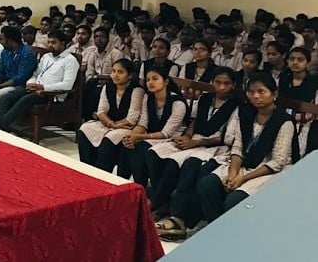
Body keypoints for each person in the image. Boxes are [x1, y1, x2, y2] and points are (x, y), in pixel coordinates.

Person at [150, 68, 241, 235]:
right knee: (170, 161)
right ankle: (160, 204)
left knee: (191, 166)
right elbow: (194, 121)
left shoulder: (236, 106)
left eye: (226, 83)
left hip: (215, 146)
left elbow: (226, 137)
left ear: (233, 85)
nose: (221, 87)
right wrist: (188, 136)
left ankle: (179, 217)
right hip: (196, 140)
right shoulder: (205, 98)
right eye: (218, 82)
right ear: (212, 82)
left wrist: (196, 142)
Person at [196, 74, 294, 223]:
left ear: (274, 94)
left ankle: (233, 234)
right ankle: (216, 228)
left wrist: (243, 178)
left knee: (234, 201)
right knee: (206, 185)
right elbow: (238, 146)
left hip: (266, 170)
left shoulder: (284, 122)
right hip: (243, 164)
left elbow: (278, 161)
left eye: (261, 92)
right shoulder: (247, 114)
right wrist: (233, 173)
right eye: (251, 92)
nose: (255, 96)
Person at [0, 30, 79, 131]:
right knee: (8, 96)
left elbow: (67, 85)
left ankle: (0, 127)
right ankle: (1, 125)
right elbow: (35, 74)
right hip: (35, 88)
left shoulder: (70, 60)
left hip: (50, 95)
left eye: (54, 42)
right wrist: (31, 83)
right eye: (49, 42)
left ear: (63, 43)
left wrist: (43, 87)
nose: (50, 45)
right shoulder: (47, 56)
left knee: (25, 100)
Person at [119, 67, 187, 185]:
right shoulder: (148, 97)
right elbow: (143, 123)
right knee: (127, 144)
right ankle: (122, 184)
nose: (150, 82)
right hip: (154, 136)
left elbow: (166, 133)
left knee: (140, 148)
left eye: (155, 79)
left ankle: (141, 187)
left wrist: (139, 137)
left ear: (165, 82)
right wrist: (132, 135)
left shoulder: (178, 103)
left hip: (171, 139)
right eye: (148, 79)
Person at [77, 59, 145, 171]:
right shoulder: (108, 87)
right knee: (84, 129)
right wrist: (110, 124)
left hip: (127, 127)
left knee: (109, 138)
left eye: (120, 72)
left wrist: (115, 126)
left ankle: (102, 174)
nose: (115, 75)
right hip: (110, 123)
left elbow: (132, 118)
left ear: (129, 75)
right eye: (113, 71)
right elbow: (101, 111)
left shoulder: (136, 90)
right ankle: (87, 170)